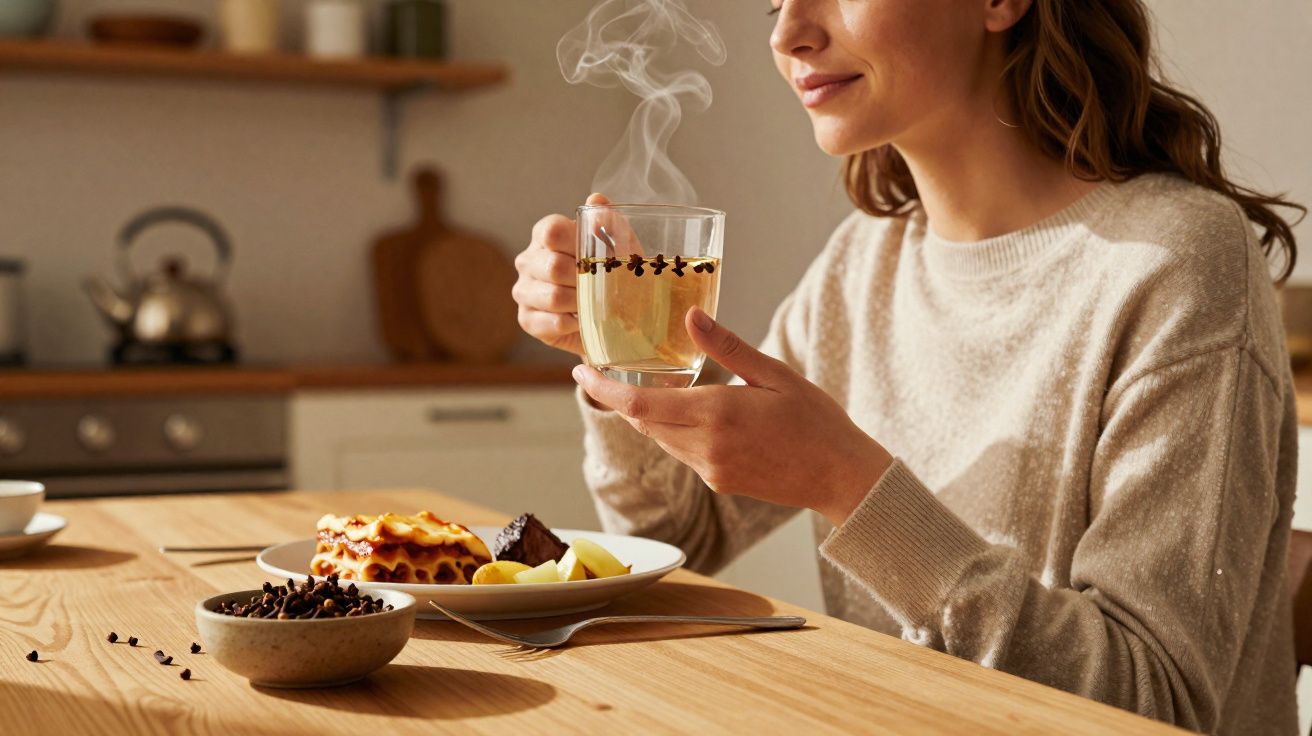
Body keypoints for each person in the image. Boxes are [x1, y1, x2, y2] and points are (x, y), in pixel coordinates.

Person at [511, 1, 1306, 732]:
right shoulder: (866, 262)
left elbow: (1155, 704)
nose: (788, 35)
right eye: (776, 0)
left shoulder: (1179, 263)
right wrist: (625, 347)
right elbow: (677, 531)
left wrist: (850, 486)